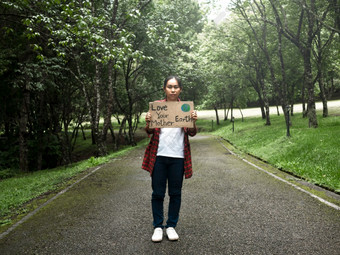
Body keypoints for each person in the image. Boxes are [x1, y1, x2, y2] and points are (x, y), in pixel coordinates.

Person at [142, 76, 198, 242]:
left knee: (175, 193)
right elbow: (150, 131)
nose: (173, 90)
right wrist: (148, 122)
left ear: (180, 89)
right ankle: (158, 227)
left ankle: (171, 226)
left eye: (176, 87)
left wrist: (193, 121)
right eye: (169, 86)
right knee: (157, 193)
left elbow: (192, 133)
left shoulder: (185, 108)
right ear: (164, 88)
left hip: (178, 157)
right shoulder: (157, 107)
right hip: (158, 156)